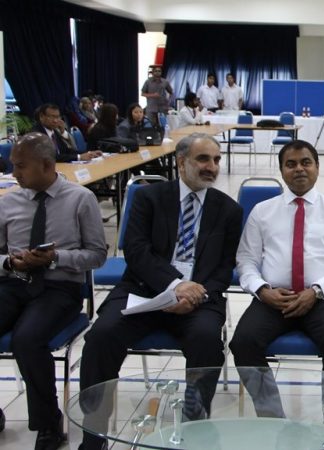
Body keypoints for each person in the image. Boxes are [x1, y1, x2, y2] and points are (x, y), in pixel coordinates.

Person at [79, 133, 242, 450]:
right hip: (144, 289)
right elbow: (136, 251)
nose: (212, 166)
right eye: (203, 159)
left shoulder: (229, 210)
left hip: (198, 299)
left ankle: (194, 427)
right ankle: (93, 435)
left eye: (216, 159)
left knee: (207, 341)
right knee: (101, 337)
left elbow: (223, 268)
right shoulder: (148, 198)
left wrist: (194, 294)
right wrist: (175, 285)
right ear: (181, 162)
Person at [231, 140, 324, 414]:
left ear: (317, 167)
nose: (299, 169)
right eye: (291, 164)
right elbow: (246, 260)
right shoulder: (262, 211)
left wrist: (316, 291)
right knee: (243, 343)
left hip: (322, 298)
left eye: (306, 162)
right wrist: (262, 290)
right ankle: (272, 416)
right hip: (273, 299)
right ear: (281, 170)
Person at [0, 133, 106, 450]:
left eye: (21, 166)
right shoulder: (8, 202)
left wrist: (56, 257)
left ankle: (48, 423)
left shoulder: (80, 199)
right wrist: (9, 262)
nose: (15, 173)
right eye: (13, 165)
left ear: (46, 165)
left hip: (59, 287)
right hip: (13, 282)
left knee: (27, 339)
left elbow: (97, 255)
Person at [31, 103, 101, 162]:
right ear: (41, 116)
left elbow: (66, 150)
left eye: (57, 117)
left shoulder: (54, 131)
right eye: (52, 117)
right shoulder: (36, 134)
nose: (55, 121)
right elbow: (51, 156)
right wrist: (79, 157)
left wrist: (89, 153)